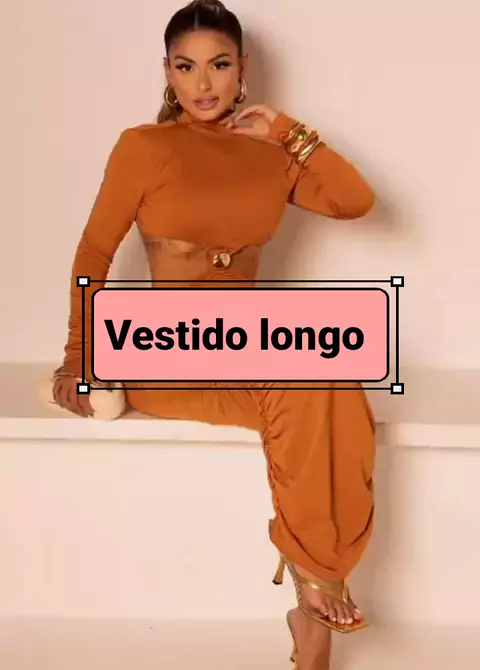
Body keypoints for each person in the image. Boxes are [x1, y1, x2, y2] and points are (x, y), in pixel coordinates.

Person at [52, 1, 376, 667]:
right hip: (161, 350)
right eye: (186, 66)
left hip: (245, 347)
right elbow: (93, 253)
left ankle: (311, 599)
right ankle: (320, 576)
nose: (203, 83)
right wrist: (77, 359)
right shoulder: (144, 147)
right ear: (167, 72)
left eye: (219, 65)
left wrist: (287, 130)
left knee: (333, 378)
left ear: (242, 69)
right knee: (306, 377)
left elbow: (355, 201)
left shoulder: (270, 153)